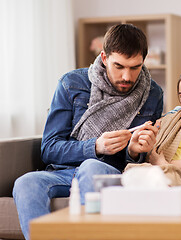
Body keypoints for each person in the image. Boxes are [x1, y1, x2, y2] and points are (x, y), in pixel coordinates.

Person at [12, 24, 163, 239]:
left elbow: (143, 160)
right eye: (119, 66)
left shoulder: (153, 93)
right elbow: (49, 148)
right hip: (64, 172)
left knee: (92, 166)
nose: (127, 76)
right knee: (25, 182)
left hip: (112, 172)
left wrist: (134, 152)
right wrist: (95, 146)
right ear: (103, 57)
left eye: (135, 67)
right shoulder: (71, 84)